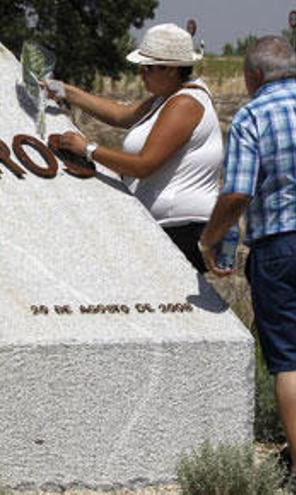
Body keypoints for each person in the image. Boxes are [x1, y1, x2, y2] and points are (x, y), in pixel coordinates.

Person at [49, 23, 223, 273]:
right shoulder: (169, 96)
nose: (142, 74)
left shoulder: (184, 103)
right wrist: (66, 91)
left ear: (172, 69)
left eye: (148, 68)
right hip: (171, 226)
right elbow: (122, 115)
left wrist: (88, 149)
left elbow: (144, 165)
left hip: (179, 229)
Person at [198, 35, 296, 470]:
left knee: (290, 360)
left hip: (280, 245)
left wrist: (210, 237)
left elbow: (238, 192)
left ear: (253, 76)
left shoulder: (253, 115)